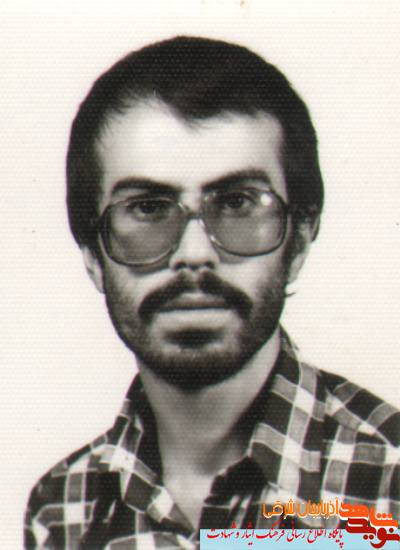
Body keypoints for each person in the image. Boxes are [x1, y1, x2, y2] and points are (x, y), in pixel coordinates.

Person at [25, 36, 399, 549]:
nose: (194, 254)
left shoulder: (389, 485)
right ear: (93, 254)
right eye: (149, 208)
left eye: (239, 203)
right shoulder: (64, 510)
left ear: (299, 242)